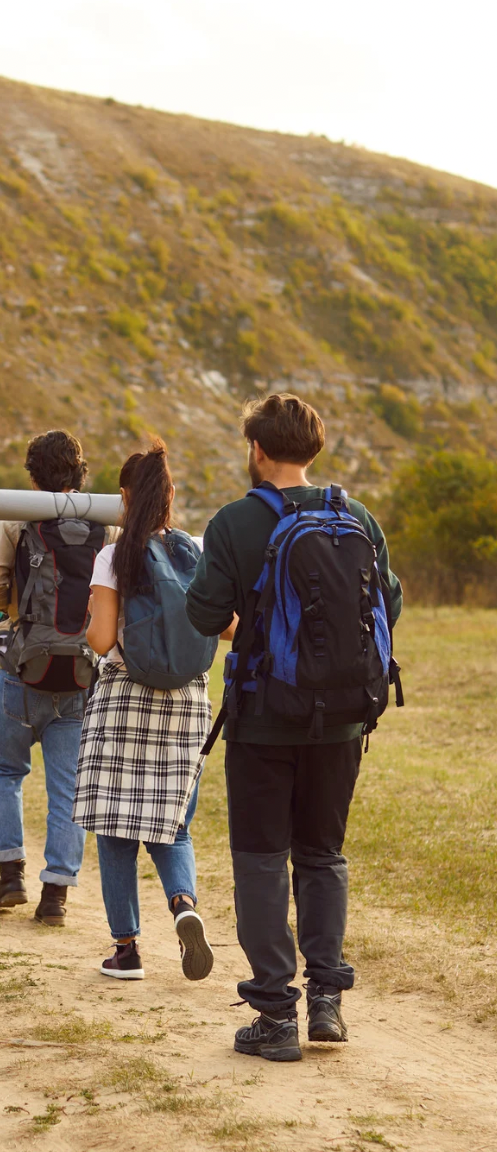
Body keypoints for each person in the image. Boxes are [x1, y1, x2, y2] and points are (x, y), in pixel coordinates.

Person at [186, 394, 403, 1061]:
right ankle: (328, 1003)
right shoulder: (357, 516)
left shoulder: (234, 523)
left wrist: (252, 632)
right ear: (313, 450)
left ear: (256, 449)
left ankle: (276, 1014)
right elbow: (387, 602)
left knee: (260, 860)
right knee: (323, 855)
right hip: (342, 722)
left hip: (263, 720)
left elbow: (201, 613)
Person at [75, 441, 215, 982]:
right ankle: (183, 904)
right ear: (171, 495)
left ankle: (127, 950)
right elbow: (224, 625)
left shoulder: (113, 556)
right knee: (173, 825)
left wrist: (88, 625)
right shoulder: (194, 552)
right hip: (186, 703)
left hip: (124, 698)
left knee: (115, 831)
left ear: (125, 497)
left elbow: (104, 635)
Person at [0, 430, 106, 925]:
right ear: (79, 470)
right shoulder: (101, 520)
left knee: (3, 770)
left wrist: (11, 606)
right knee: (68, 786)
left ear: (32, 474)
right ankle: (56, 896)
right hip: (81, 671)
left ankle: (10, 875)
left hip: (23, 668)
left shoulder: (18, 515)